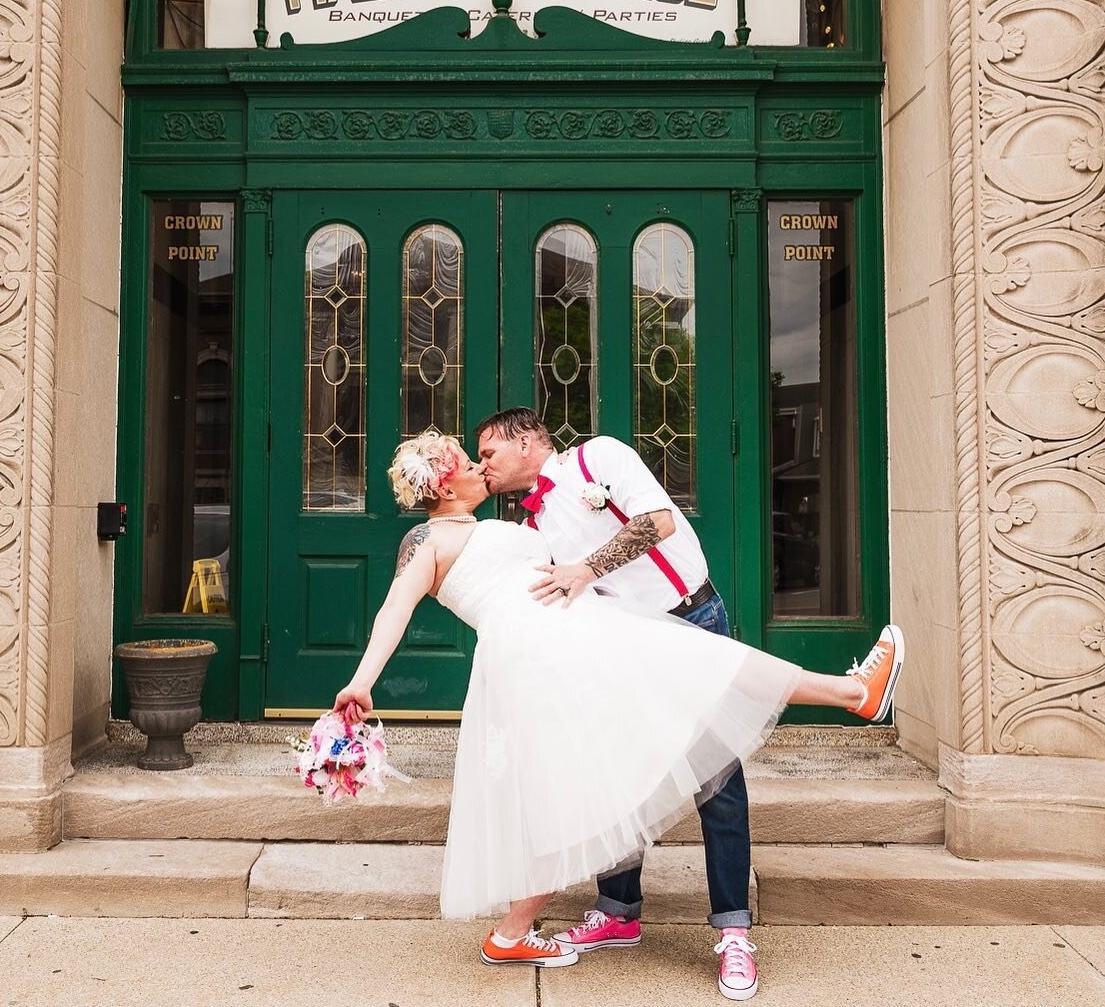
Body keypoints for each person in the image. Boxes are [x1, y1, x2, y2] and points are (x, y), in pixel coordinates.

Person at [333, 429, 904, 981]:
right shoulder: (428, 542)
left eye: (485, 453)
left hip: (578, 636)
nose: (481, 466)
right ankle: (854, 693)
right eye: (468, 458)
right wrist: (362, 683)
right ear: (445, 484)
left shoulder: (518, 516)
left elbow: (640, 529)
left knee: (589, 779)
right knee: (705, 674)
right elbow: (393, 612)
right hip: (549, 651)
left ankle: (532, 929)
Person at [475, 408, 779, 998]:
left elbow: (658, 521)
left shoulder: (600, 457)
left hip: (691, 620)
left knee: (715, 779)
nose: (484, 466)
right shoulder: (532, 521)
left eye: (489, 453)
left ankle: (733, 934)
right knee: (613, 776)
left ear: (526, 441)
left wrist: (585, 569)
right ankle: (618, 911)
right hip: (626, 646)